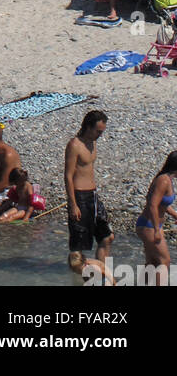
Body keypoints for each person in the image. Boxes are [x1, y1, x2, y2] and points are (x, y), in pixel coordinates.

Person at [64, 110, 113, 270]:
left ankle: (102, 274)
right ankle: (79, 277)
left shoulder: (93, 142)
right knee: (79, 246)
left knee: (107, 237)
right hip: (79, 197)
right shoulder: (74, 145)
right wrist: (73, 204)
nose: (100, 135)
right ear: (88, 127)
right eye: (98, 131)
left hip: (93, 195)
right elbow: (68, 175)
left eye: (102, 132)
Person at [135, 151, 177, 284]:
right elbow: (152, 205)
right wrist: (157, 230)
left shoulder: (166, 179)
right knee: (164, 261)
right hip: (149, 226)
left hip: (150, 225)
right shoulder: (163, 180)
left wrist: (175, 214)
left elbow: (161, 204)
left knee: (152, 263)